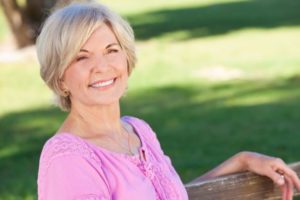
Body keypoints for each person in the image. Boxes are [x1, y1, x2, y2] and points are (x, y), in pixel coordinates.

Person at [36, 1, 300, 200]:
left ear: (127, 60)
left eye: (111, 50)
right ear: (59, 78)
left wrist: (241, 161)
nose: (102, 66)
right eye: (82, 57)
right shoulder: (67, 158)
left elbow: (169, 194)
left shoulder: (137, 131)